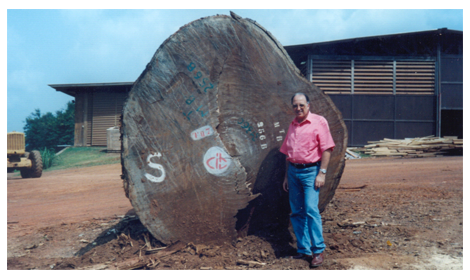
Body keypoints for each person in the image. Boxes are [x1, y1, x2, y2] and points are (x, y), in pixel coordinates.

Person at [279, 92, 335, 267]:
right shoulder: (293, 125)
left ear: (308, 105)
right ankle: (303, 250)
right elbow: (288, 154)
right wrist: (286, 176)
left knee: (311, 209)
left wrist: (322, 173)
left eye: (301, 105)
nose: (298, 108)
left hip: (311, 172)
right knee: (296, 212)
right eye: (295, 105)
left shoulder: (319, 122)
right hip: (294, 173)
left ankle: (318, 251)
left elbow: (327, 148)